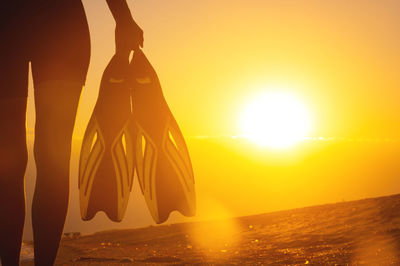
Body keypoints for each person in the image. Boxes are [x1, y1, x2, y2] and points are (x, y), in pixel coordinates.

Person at [0, 0, 143, 265]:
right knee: (14, 162)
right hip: (42, 25)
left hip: (50, 26)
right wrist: (122, 17)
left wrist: (123, 17)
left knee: (40, 159)